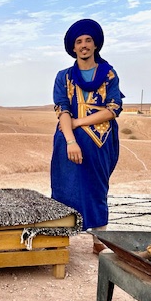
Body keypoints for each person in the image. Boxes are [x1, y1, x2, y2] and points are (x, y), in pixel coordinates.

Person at [50, 19, 124, 254]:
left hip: (101, 142)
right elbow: (62, 109)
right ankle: (61, 240)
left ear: (95, 45)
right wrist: (71, 141)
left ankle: (98, 240)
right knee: (65, 187)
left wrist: (79, 121)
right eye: (79, 41)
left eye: (88, 40)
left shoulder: (109, 74)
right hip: (68, 139)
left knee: (97, 187)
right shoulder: (64, 77)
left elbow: (113, 109)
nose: (83, 45)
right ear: (73, 48)